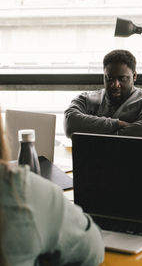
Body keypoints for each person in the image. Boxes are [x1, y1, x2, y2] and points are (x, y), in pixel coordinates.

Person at [0, 109, 104, 265]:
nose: (115, 84)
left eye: (120, 81)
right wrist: (117, 124)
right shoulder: (25, 195)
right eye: (109, 81)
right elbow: (93, 250)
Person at [64, 49, 142, 139]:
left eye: (122, 78)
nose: (115, 85)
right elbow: (70, 124)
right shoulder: (86, 99)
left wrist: (92, 133)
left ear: (134, 76)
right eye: (110, 78)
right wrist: (117, 124)